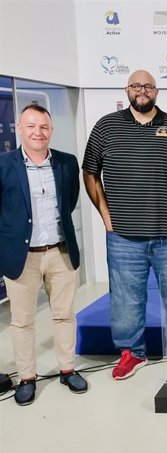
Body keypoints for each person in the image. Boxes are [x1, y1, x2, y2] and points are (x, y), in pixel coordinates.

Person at [83, 70, 167, 379]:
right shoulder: (105, 127)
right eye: (136, 86)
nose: (142, 91)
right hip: (124, 237)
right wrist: (105, 216)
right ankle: (131, 352)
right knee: (126, 299)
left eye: (148, 86)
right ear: (127, 90)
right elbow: (90, 173)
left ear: (156, 91)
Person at [0, 104, 87, 405]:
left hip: (61, 253)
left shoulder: (66, 163)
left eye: (44, 127)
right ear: (20, 129)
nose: (38, 132)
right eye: (31, 126)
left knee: (64, 315)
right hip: (22, 257)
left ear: (51, 130)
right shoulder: (4, 164)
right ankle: (26, 377)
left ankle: (67, 369)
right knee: (23, 321)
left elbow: (71, 200)